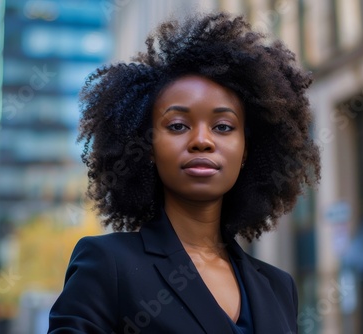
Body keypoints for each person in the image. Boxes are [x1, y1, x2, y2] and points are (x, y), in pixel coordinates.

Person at [48, 12, 320, 334]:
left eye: (223, 127)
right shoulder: (108, 264)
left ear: (246, 150)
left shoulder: (278, 288)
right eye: (178, 126)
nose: (202, 141)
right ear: (147, 146)